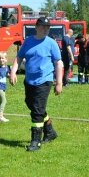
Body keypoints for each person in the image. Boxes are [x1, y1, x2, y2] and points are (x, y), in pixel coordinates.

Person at [9, 17, 62, 151]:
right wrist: (13, 72)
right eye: (43, 26)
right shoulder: (28, 42)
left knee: (37, 111)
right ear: (37, 27)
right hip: (29, 80)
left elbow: (58, 63)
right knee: (31, 104)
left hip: (44, 80)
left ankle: (35, 141)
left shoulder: (51, 43)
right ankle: (50, 131)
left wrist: (59, 82)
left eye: (48, 27)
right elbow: (19, 57)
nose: (45, 29)